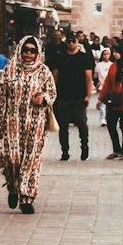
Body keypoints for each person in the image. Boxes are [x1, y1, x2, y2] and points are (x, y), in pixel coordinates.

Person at [0, 35, 57, 214]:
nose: (28, 53)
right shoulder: (10, 70)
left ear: (38, 52)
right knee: (11, 158)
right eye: (25, 50)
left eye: (33, 50)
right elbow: (1, 100)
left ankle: (27, 197)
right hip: (12, 124)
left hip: (36, 124)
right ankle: (13, 186)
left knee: (31, 161)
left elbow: (52, 93)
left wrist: (44, 99)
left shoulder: (43, 71)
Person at [52, 31, 93, 160]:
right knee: (63, 126)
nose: (71, 43)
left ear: (77, 41)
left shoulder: (84, 57)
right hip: (63, 96)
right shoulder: (60, 57)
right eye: (68, 41)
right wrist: (53, 93)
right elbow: (55, 76)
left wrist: (88, 95)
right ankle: (65, 151)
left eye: (73, 41)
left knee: (81, 123)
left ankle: (84, 147)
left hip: (79, 96)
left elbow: (88, 77)